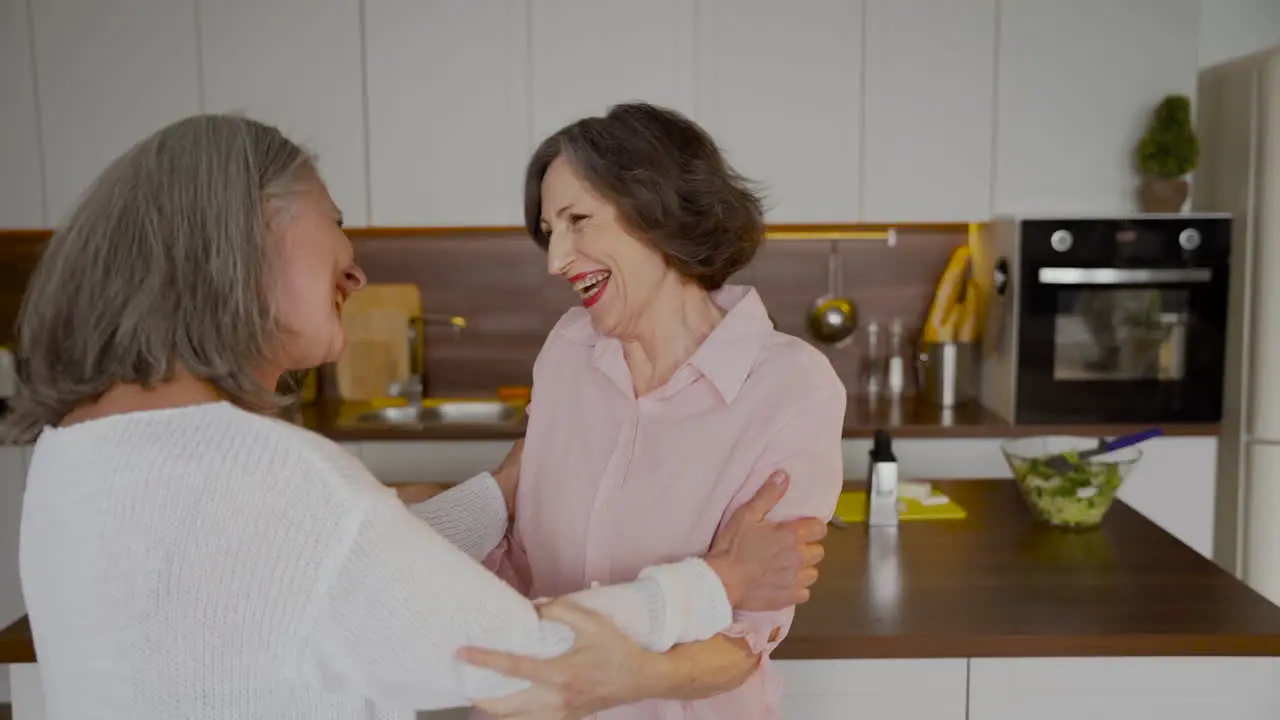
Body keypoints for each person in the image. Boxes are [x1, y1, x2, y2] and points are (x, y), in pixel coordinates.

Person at [4, 114, 832, 720]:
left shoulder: (78, 452)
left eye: (578, 221)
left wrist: (499, 493)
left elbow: (336, 568)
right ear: (247, 239)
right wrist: (719, 581)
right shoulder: (279, 475)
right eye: (336, 223)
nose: (355, 267)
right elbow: (501, 644)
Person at [461, 103, 848, 719]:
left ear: (656, 212)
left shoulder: (789, 386)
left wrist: (626, 679)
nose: (556, 259)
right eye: (549, 230)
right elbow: (523, 555)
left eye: (578, 220)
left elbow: (745, 635)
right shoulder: (568, 349)